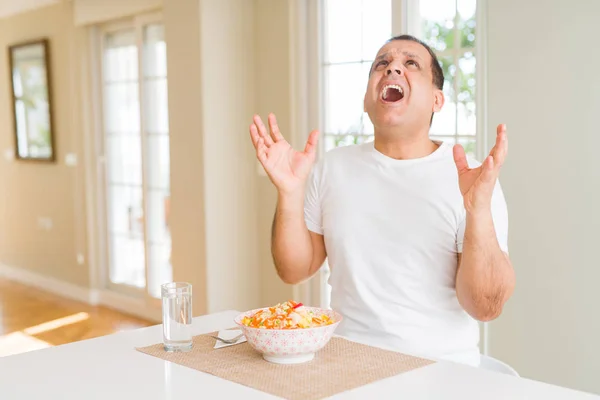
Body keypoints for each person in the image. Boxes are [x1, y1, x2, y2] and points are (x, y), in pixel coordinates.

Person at [248, 34, 515, 367]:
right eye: (382, 63)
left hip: (442, 372)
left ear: (437, 100)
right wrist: (289, 193)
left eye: (411, 63)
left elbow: (485, 305)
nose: (393, 69)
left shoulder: (473, 177)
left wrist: (478, 213)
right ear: (365, 100)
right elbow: (293, 270)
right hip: (345, 365)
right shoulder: (334, 166)